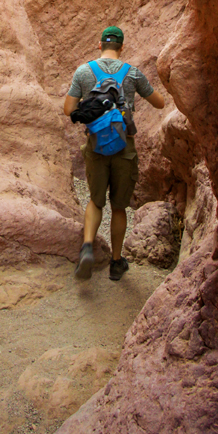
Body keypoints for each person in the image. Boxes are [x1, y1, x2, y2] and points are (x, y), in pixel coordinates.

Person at [63, 25, 166, 281]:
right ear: (121, 47)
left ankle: (87, 246)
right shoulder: (132, 73)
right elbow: (159, 103)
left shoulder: (84, 71)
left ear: (100, 45)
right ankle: (117, 263)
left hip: (95, 145)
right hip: (124, 147)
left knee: (96, 201)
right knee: (119, 207)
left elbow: (68, 109)